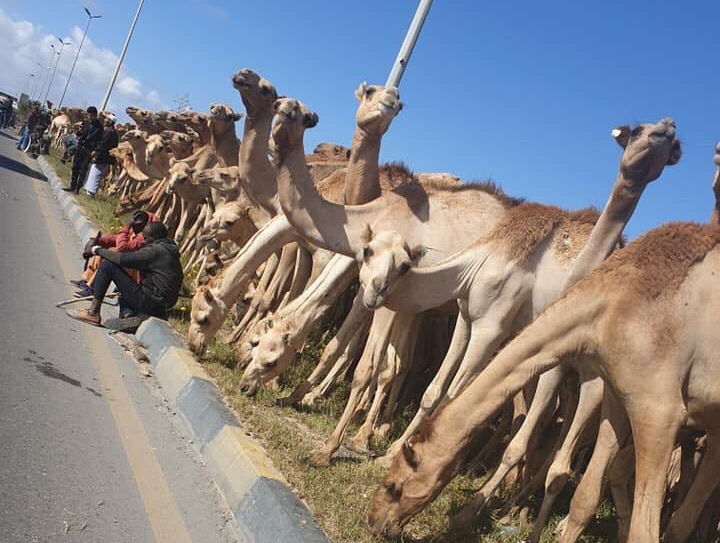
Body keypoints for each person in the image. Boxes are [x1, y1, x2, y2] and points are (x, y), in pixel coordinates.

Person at [66, 221, 183, 326]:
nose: (144, 242)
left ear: (155, 238)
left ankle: (93, 313)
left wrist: (96, 250)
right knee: (123, 285)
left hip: (151, 302)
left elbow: (122, 259)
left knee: (108, 265)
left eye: (146, 239)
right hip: (162, 306)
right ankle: (129, 316)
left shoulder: (156, 251)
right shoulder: (169, 250)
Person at [63, 106, 102, 194]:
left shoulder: (99, 127)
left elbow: (99, 141)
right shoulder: (86, 123)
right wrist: (78, 130)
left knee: (83, 169)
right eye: (88, 115)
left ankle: (77, 188)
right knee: (75, 167)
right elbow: (79, 134)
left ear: (94, 115)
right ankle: (72, 186)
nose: (89, 117)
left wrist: (95, 151)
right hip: (80, 147)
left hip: (89, 149)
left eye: (90, 115)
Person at [83, 112, 119, 196]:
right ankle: (88, 189)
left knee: (96, 172)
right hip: (105, 156)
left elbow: (103, 144)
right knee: (94, 171)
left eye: (107, 119)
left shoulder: (108, 131)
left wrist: (96, 152)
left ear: (110, 121)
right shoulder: (112, 132)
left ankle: (90, 192)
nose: (105, 120)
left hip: (102, 156)